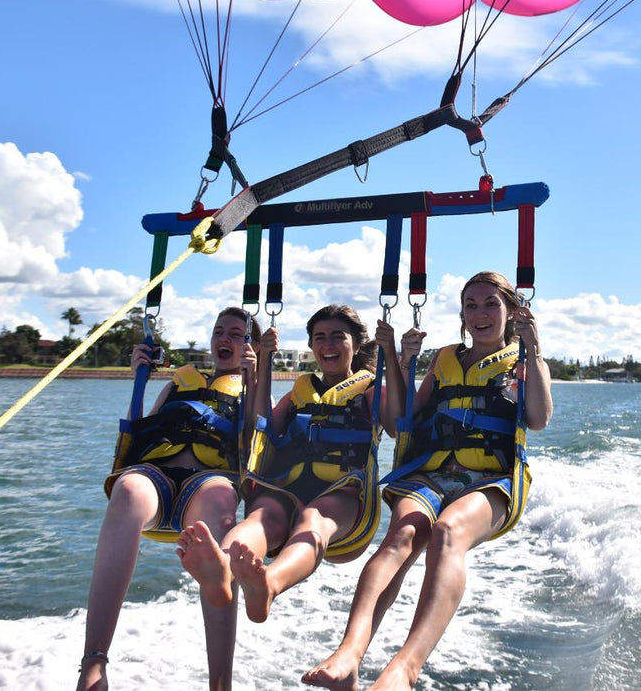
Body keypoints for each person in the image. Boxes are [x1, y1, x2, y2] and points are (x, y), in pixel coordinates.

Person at [302, 271, 553, 691]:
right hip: (433, 472)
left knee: (447, 531)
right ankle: (349, 653)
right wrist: (399, 359)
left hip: (492, 480)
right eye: (470, 305)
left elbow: (539, 419)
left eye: (491, 303)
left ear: (511, 311)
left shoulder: (523, 360)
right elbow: (405, 422)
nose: (480, 313)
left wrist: (534, 348)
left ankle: (405, 668)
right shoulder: (445, 358)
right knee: (401, 535)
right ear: (461, 314)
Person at [177, 305, 408, 627]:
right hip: (287, 485)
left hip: (342, 491)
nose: (327, 345)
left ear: (356, 344)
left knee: (314, 518)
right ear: (312, 346)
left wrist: (392, 358)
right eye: (319, 338)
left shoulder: (370, 389)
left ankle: (271, 583)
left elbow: (399, 425)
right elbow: (262, 426)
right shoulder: (301, 390)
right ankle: (221, 570)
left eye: (337, 337)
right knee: (263, 516)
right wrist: (263, 364)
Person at [76, 306, 260, 691]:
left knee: (218, 504)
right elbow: (144, 430)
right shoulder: (180, 382)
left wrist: (256, 379)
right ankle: (94, 663)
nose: (224, 339)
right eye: (218, 331)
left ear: (250, 347)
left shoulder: (252, 388)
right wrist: (137, 378)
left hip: (209, 480)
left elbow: (255, 444)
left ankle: (220, 683)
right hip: (157, 476)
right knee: (126, 489)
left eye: (236, 334)